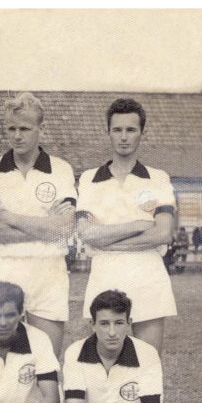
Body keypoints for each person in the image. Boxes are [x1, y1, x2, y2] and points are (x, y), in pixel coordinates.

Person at [0, 92, 76, 357]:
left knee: (47, 362)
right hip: (4, 268)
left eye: (25, 128)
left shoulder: (61, 169)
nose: (17, 135)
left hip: (48, 271)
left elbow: (63, 230)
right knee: (0, 360)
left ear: (40, 130)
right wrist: (44, 226)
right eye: (11, 128)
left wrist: (10, 217)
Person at [76, 98, 177, 353]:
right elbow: (86, 234)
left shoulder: (158, 177)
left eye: (131, 130)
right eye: (117, 129)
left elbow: (164, 232)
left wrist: (106, 239)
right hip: (105, 273)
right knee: (104, 362)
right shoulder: (89, 179)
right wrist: (137, 224)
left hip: (148, 273)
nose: (124, 137)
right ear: (107, 131)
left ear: (142, 132)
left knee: (148, 361)